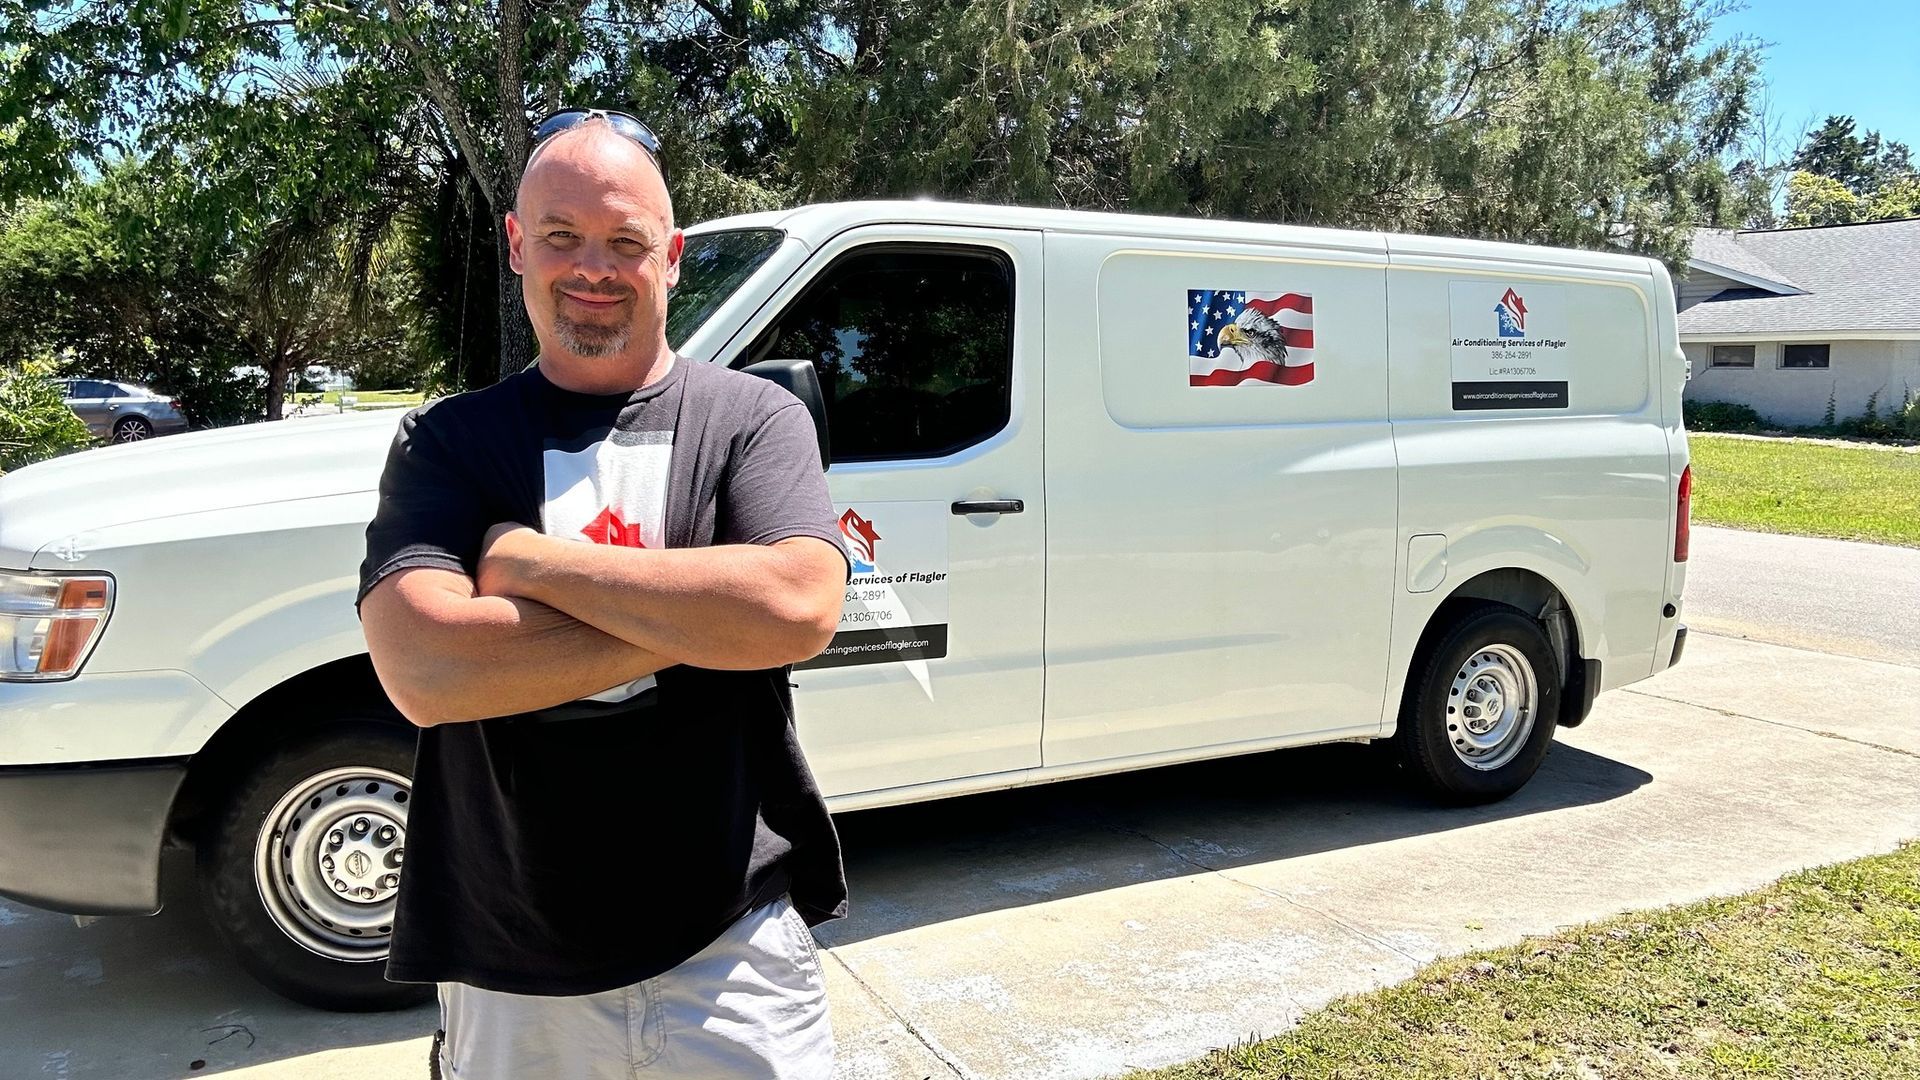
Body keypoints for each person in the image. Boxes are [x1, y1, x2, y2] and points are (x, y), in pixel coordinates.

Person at [357, 108, 850, 1079]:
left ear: (669, 257)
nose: (594, 267)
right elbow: (426, 666)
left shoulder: (753, 419)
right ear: (515, 245)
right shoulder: (447, 442)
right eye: (561, 238)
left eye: (626, 241)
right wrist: (710, 615)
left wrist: (532, 564)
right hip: (509, 960)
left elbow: (798, 608)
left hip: (733, 944)